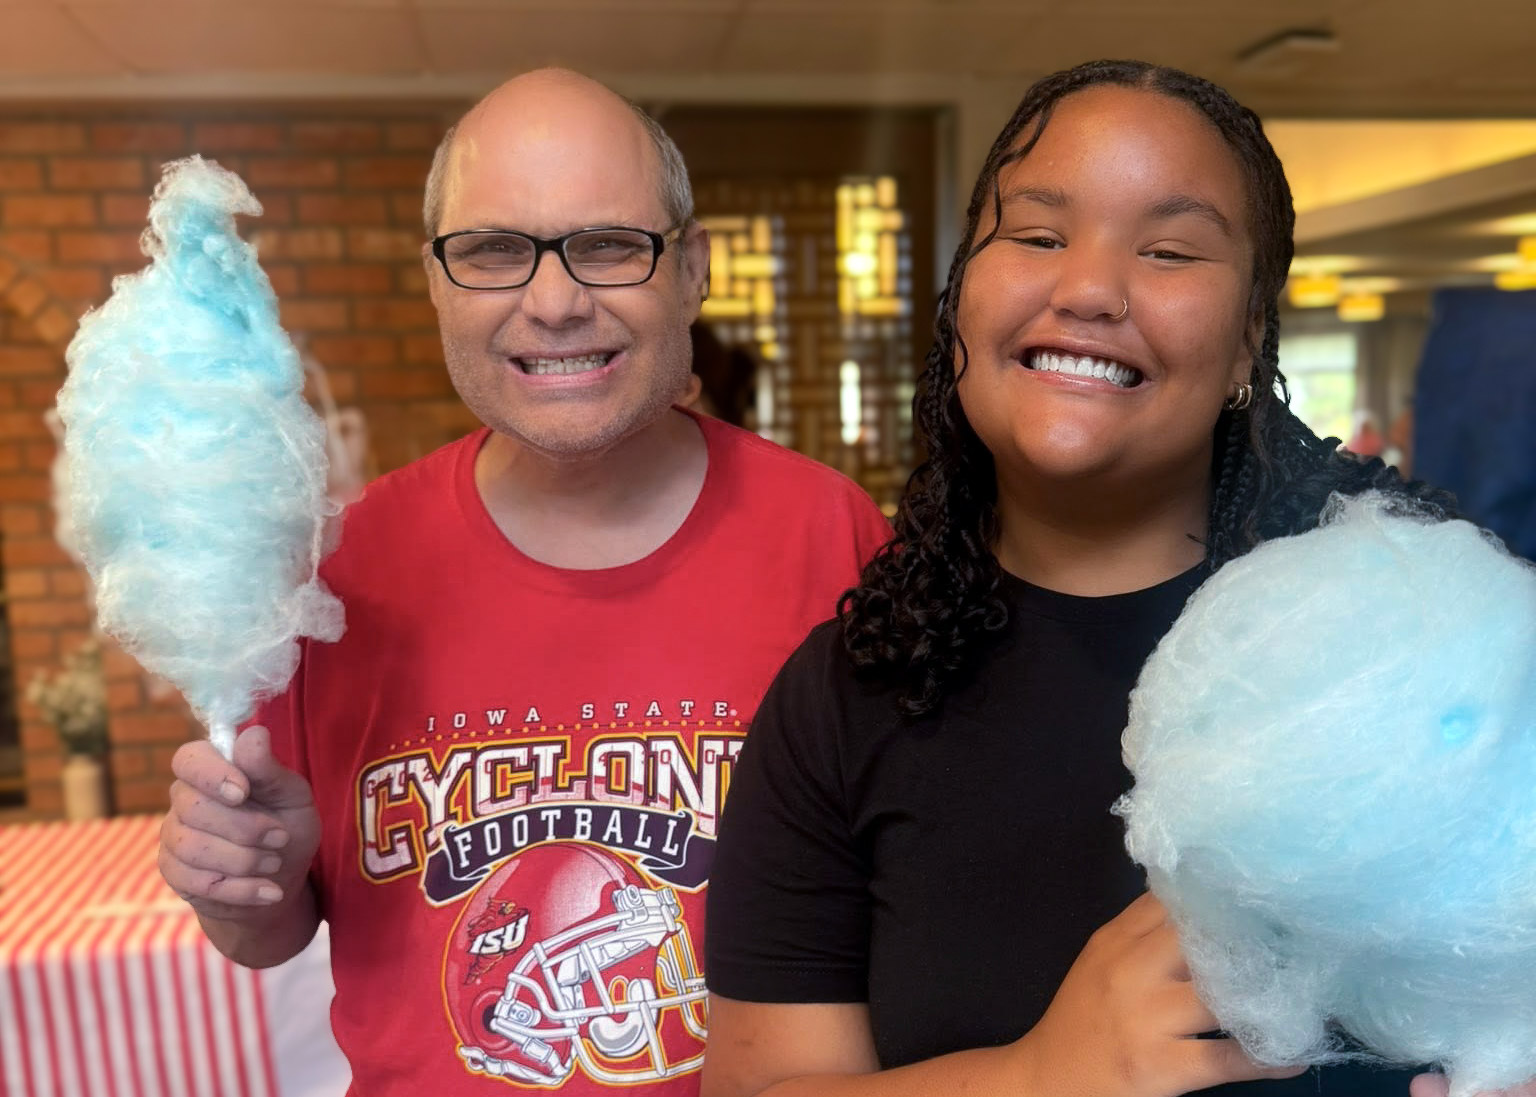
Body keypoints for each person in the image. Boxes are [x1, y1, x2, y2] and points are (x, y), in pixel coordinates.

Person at [701, 60, 1474, 1097]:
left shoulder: (1409, 642)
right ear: (961, 298)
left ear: (1251, 331)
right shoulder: (843, 699)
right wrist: (1036, 1077)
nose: (1089, 290)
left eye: (1167, 250)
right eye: (1036, 235)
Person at [157, 68, 891, 1096]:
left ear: (694, 271)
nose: (554, 302)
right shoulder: (331, 573)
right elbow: (273, 928)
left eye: (607, 244)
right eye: (496, 251)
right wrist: (240, 885)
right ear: (436, 280)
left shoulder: (835, 536)